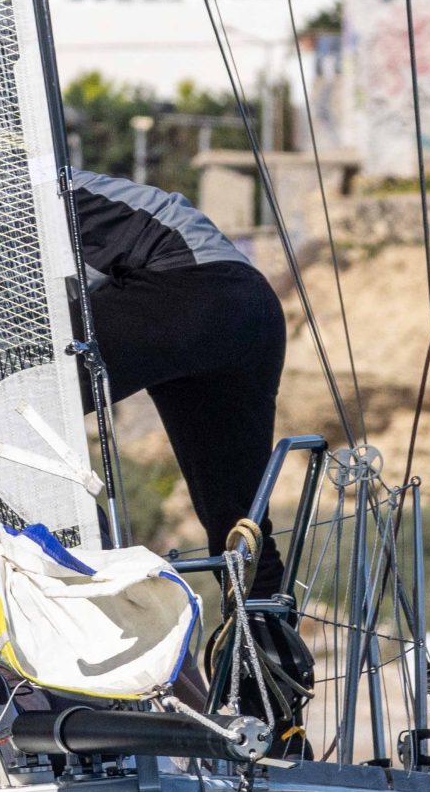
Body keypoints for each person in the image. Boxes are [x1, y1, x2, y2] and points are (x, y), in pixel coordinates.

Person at [71, 170, 286, 592]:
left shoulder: (18, 192)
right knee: (239, 522)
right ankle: (266, 629)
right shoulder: (67, 181)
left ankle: (94, 574)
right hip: (252, 305)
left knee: (1, 402)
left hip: (189, 289)